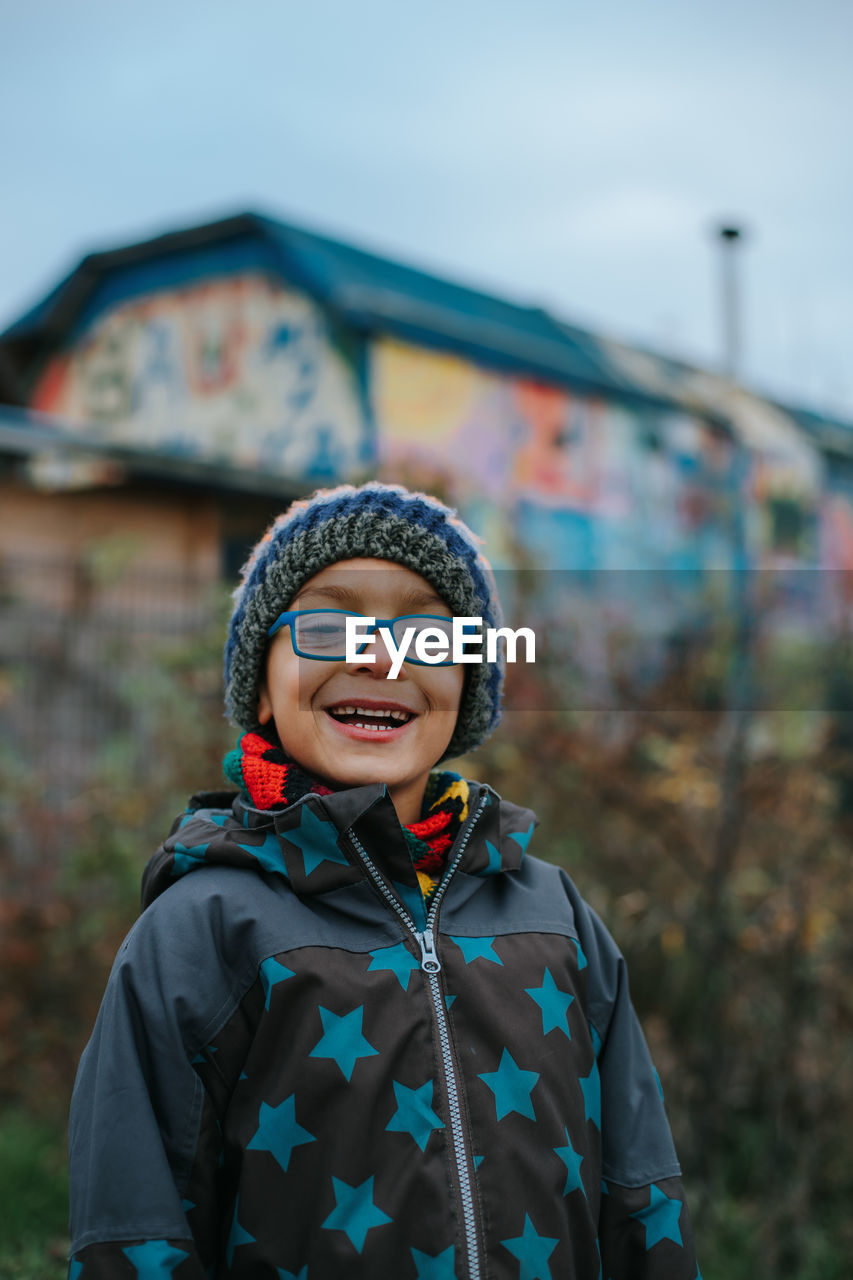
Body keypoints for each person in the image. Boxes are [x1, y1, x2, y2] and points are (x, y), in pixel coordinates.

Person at [67, 481, 700, 1279]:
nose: (378, 656)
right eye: (327, 625)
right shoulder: (201, 928)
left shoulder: (555, 915)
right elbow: (134, 1233)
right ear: (261, 685)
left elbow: (641, 1200)